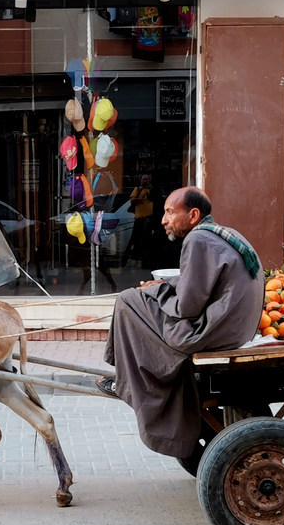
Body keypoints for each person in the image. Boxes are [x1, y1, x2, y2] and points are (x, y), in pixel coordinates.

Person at [98, 187, 264, 458]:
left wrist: (154, 291)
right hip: (236, 330)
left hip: (211, 332)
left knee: (128, 300)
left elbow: (187, 307)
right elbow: (202, 287)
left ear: (193, 215)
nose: (164, 220)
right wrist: (166, 284)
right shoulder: (224, 234)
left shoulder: (197, 240)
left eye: (170, 213)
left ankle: (123, 379)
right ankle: (123, 376)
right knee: (145, 297)